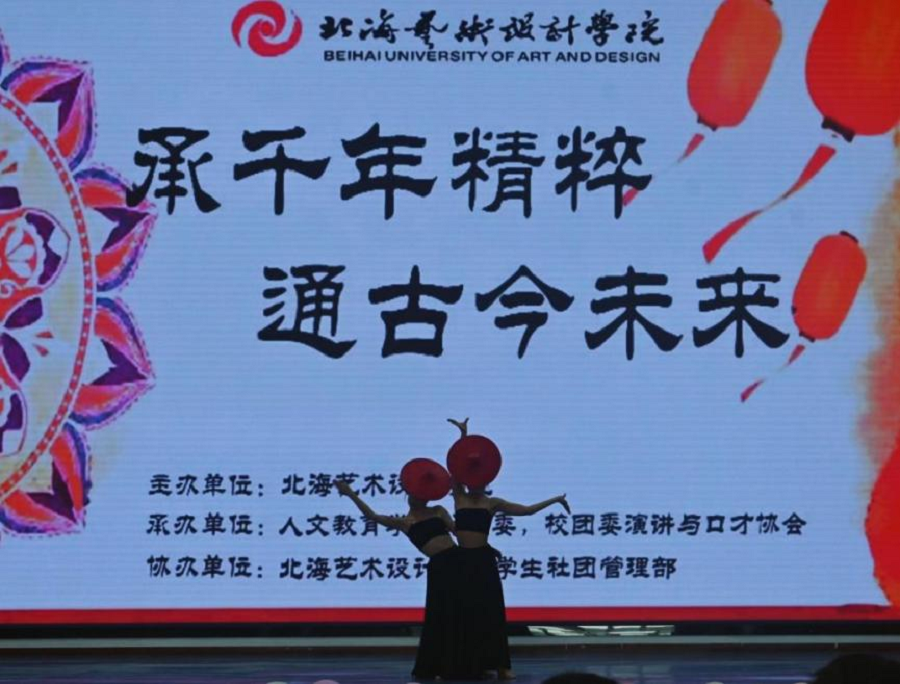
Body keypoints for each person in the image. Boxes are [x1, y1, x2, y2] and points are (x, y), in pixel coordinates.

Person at [447, 418, 571, 681]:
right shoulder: (459, 496)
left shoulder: (493, 503)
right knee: (465, 613)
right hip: (461, 561)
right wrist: (463, 435)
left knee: (491, 612)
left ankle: (501, 665)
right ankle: (470, 665)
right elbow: (456, 464)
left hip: (483, 561)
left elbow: (527, 511)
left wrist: (555, 500)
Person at [334, 459, 467, 681]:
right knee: (440, 616)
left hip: (457, 561)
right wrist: (350, 494)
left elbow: (458, 532)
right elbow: (373, 516)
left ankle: (465, 663)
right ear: (409, 494)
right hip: (438, 568)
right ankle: (439, 665)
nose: (420, 497)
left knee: (461, 613)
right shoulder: (405, 522)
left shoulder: (438, 511)